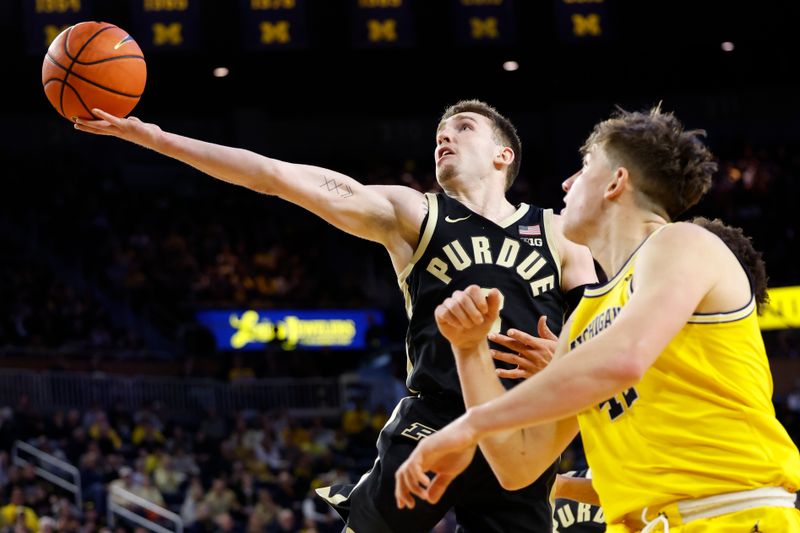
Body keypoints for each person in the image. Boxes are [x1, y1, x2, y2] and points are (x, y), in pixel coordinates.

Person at [74, 99, 596, 532]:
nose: (444, 136)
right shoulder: (412, 212)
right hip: (434, 418)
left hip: (522, 428)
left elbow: (602, 333)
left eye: (462, 127)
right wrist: (158, 138)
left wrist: (565, 357)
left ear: (504, 154)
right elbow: (275, 176)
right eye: (438, 130)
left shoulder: (561, 232)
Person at [394, 107, 800, 532]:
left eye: (584, 167)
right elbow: (518, 465)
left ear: (616, 182)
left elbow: (623, 360)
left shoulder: (681, 242)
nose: (566, 184)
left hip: (729, 515)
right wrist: (469, 348)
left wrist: (468, 426)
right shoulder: (586, 315)